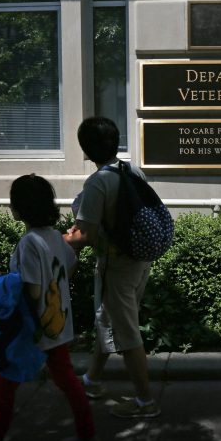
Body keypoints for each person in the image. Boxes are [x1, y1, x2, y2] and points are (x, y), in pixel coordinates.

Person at [0, 174, 99, 441]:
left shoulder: (29, 243)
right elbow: (68, 267)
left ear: (19, 209)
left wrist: (2, 279)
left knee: (5, 385)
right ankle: (87, 433)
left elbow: (34, 291)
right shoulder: (55, 238)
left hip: (30, 329)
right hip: (58, 326)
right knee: (68, 381)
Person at [64, 117, 159, 419]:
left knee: (126, 333)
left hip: (116, 266)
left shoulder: (98, 182)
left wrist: (53, 245)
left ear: (86, 150)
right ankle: (92, 381)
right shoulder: (131, 169)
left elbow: (84, 234)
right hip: (140, 259)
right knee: (107, 319)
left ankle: (146, 402)